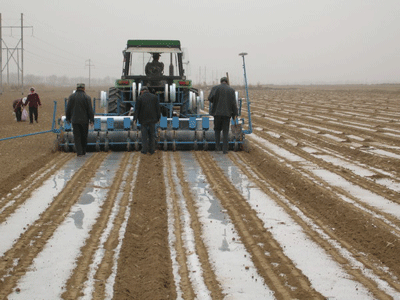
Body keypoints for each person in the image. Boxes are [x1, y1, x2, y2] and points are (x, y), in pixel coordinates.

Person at [208, 77, 238, 154]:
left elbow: (210, 98)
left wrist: (215, 100)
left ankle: (217, 148)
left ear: (221, 81)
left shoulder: (215, 88)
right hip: (227, 114)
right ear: (227, 82)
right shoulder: (231, 90)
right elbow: (234, 104)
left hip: (217, 114)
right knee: (225, 131)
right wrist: (235, 114)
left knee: (217, 130)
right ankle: (225, 150)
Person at [66, 83, 94, 157]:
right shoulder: (87, 97)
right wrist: (91, 120)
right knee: (84, 136)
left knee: (77, 136)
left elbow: (68, 109)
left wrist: (68, 118)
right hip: (84, 121)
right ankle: (84, 151)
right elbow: (90, 110)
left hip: (75, 120)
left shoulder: (71, 97)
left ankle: (79, 152)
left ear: (76, 88)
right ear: (84, 88)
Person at [134, 86, 161, 155]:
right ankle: (152, 150)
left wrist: (135, 119)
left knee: (144, 136)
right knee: (152, 135)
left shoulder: (140, 98)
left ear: (142, 91)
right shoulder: (154, 97)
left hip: (143, 121)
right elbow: (158, 109)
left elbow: (137, 110)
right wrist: (158, 118)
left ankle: (144, 150)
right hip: (152, 120)